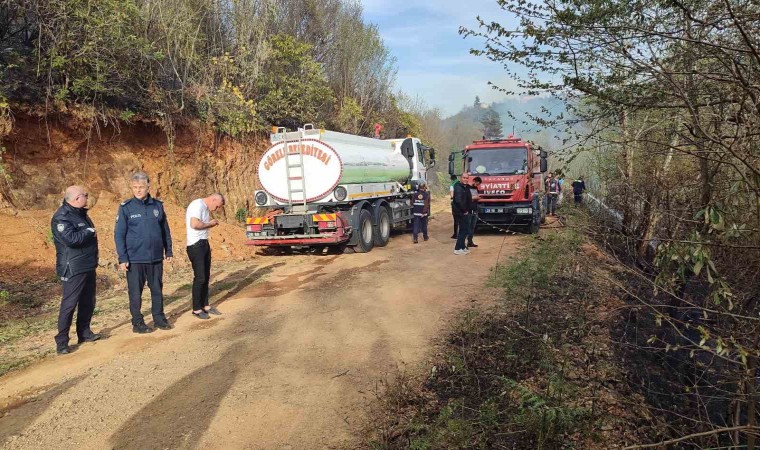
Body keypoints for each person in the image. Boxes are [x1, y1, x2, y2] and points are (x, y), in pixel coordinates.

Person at [114, 172, 173, 333]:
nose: (138, 190)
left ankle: (159, 319)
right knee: (135, 293)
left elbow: (165, 230)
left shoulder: (157, 206)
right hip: (135, 258)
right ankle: (137, 323)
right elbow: (119, 234)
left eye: (141, 187)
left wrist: (168, 250)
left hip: (155, 257)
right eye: (135, 187)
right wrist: (122, 258)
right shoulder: (126, 207)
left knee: (157, 290)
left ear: (148, 187)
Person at [51, 186, 101, 354]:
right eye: (85, 195)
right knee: (69, 303)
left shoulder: (80, 214)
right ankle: (62, 342)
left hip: (87, 264)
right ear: (77, 198)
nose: (87, 197)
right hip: (72, 266)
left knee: (88, 301)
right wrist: (88, 232)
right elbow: (71, 239)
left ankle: (84, 333)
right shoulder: (62, 217)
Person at [186, 193, 225, 320]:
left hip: (203, 243)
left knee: (206, 276)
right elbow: (194, 224)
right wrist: (210, 224)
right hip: (195, 245)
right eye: (217, 206)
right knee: (200, 277)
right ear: (213, 199)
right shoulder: (197, 205)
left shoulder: (204, 207)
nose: (217, 209)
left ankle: (205, 305)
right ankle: (196, 309)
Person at [452, 177, 481, 255]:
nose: (466, 180)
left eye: (467, 178)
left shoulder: (468, 188)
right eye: (464, 178)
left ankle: (463, 246)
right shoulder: (459, 187)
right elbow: (460, 201)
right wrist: (465, 211)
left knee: (467, 229)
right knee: (463, 230)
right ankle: (458, 248)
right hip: (464, 212)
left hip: (471, 210)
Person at [466, 178, 482, 248]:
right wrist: (474, 198)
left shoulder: (476, 189)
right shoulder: (467, 188)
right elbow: (466, 198)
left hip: (475, 210)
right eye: (476, 183)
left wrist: (477, 198)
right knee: (467, 227)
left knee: (472, 227)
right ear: (474, 181)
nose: (476, 185)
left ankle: (470, 242)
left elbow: (476, 197)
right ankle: (464, 243)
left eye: (478, 184)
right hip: (468, 210)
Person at [449, 175, 460, 239]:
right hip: (462, 204)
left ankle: (456, 234)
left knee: (456, 220)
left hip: (455, 204)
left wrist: (452, 198)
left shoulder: (452, 185)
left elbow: (452, 195)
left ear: (452, 179)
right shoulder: (460, 183)